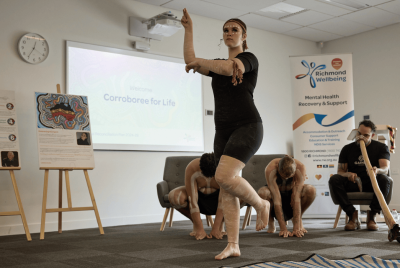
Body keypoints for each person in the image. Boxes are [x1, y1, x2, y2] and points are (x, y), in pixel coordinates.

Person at [182, 9, 270, 260]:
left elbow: (230, 67)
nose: (229, 33)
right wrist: (188, 30)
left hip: (248, 126)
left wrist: (200, 63)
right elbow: (190, 58)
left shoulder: (248, 58)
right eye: (226, 30)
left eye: (234, 29)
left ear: (244, 36)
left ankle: (261, 204)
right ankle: (233, 244)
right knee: (226, 185)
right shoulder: (216, 63)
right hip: (222, 130)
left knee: (223, 175)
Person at [329, 120, 391, 231]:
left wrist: (377, 170)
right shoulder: (347, 149)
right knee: (334, 179)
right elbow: (340, 171)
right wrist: (348, 174)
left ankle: (372, 216)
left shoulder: (381, 148)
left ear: (372, 135)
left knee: (385, 180)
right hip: (354, 183)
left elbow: (385, 169)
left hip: (372, 183)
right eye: (359, 134)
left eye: (366, 135)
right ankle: (352, 215)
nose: (361, 137)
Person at [168, 153, 227, 240]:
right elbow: (193, 201)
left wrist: (216, 228)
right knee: (175, 197)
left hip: (218, 200)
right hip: (200, 199)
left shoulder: (225, 169)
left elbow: (223, 200)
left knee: (239, 195)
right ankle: (196, 224)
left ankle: (220, 226)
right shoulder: (192, 167)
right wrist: (200, 228)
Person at [258, 156, 316, 238]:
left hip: (291, 191)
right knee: (262, 192)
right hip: (276, 191)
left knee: (311, 190)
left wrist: (296, 228)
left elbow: (297, 199)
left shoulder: (300, 168)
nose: (285, 179)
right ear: (278, 168)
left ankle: (298, 220)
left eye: (289, 177)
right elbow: (277, 199)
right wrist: (283, 229)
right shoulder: (270, 169)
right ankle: (270, 221)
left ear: (295, 170)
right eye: (283, 176)